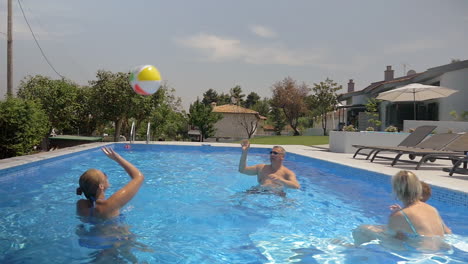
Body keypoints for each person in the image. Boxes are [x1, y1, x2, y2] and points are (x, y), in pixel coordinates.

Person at [353, 170, 451, 251]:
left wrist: (400, 214)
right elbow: (447, 232)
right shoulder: (432, 209)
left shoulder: (399, 215)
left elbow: (392, 237)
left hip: (418, 253)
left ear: (396, 190)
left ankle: (356, 250)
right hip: (439, 249)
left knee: (363, 229)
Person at [76, 146, 145, 220]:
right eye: (104, 174)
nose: (106, 176)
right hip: (117, 231)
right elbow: (139, 177)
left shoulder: (81, 205)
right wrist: (117, 158)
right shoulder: (109, 205)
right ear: (101, 186)